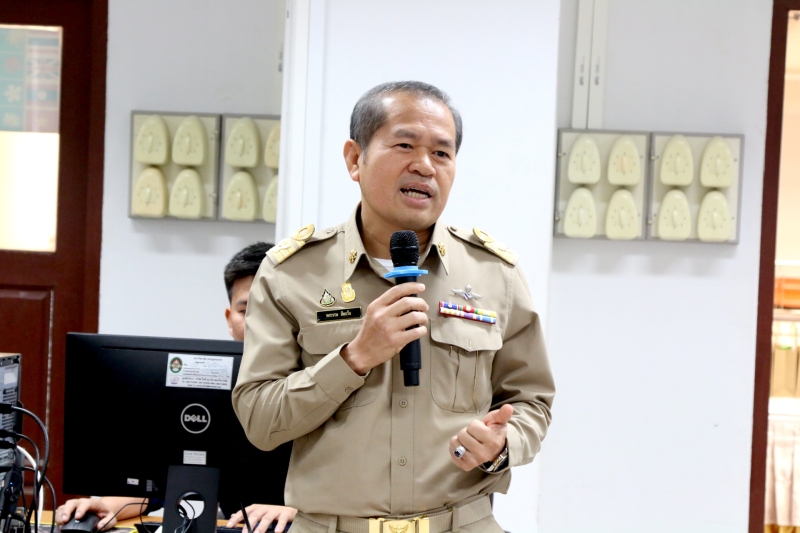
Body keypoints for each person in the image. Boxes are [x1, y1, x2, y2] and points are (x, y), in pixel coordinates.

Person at [233, 81, 555, 533]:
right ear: (355, 159)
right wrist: (354, 358)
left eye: (441, 153)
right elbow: (260, 419)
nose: (424, 165)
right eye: (405, 145)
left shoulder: (494, 273)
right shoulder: (291, 273)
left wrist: (503, 444)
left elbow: (531, 401)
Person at [56, 242, 297, 533]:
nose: (256, 322)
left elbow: (347, 496)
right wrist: (105, 507)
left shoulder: (321, 385)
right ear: (229, 319)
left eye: (271, 309)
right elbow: (158, 482)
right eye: (245, 310)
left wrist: (299, 511)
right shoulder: (204, 386)